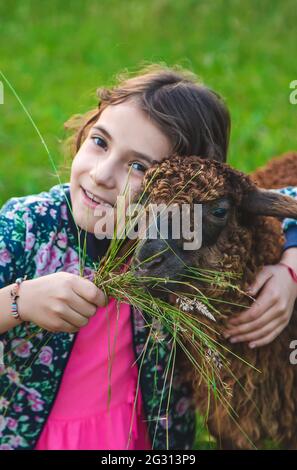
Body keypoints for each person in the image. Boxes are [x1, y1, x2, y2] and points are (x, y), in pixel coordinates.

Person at [0, 63, 297, 450]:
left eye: (138, 166)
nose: (102, 174)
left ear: (184, 182)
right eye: (100, 141)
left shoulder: (186, 244)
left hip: (147, 437)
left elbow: (286, 198)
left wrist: (290, 269)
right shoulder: (25, 227)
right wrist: (20, 302)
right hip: (35, 436)